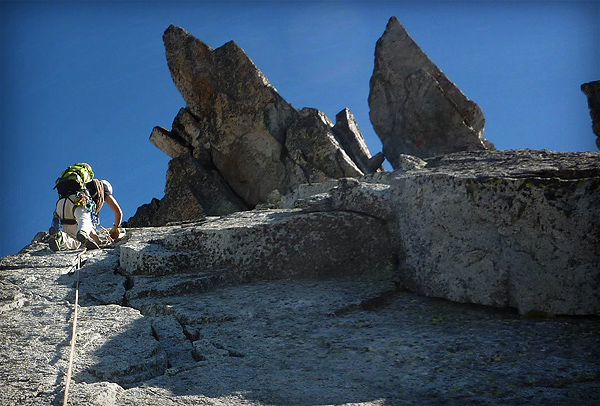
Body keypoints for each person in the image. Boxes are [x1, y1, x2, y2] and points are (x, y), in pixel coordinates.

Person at [49, 178, 123, 251]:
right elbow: (118, 212)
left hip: (61, 204)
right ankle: (83, 232)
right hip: (78, 200)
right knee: (84, 220)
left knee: (75, 242)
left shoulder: (84, 186)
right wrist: (116, 227)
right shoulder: (103, 188)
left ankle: (60, 237)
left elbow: (91, 232)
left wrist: (98, 243)